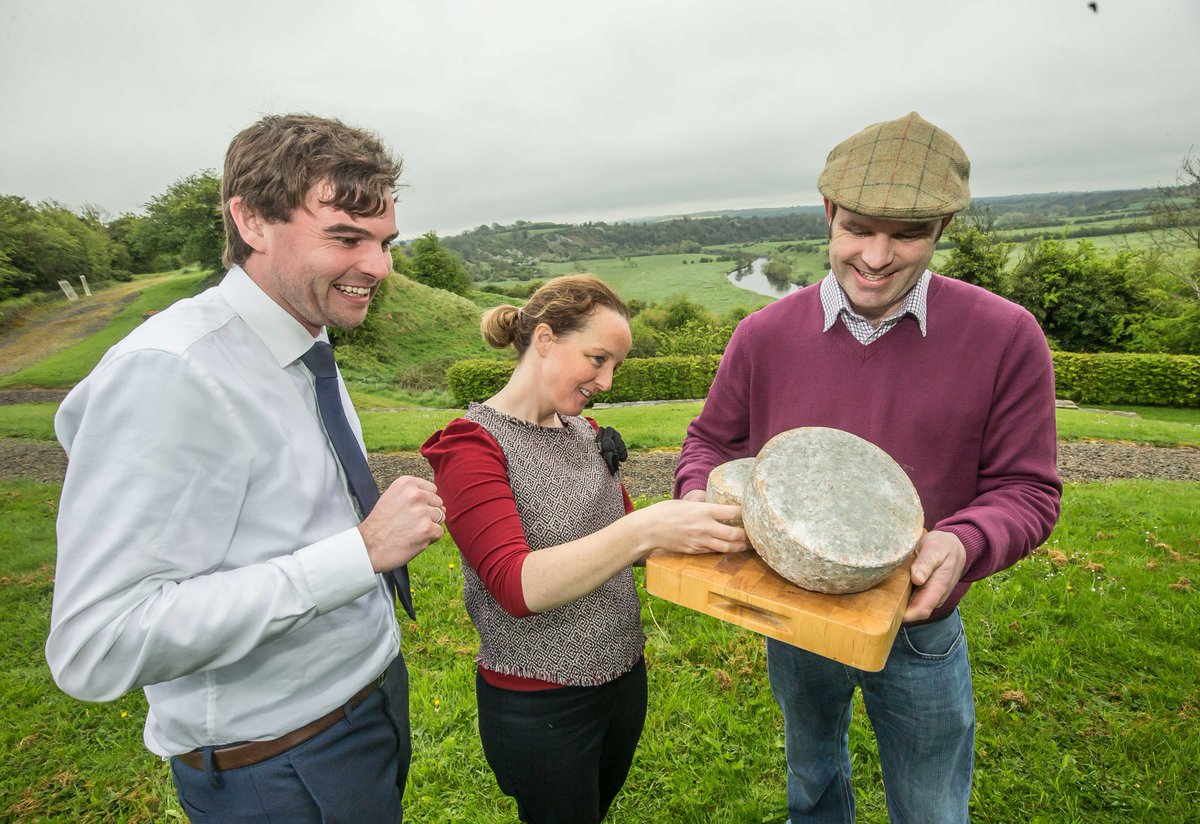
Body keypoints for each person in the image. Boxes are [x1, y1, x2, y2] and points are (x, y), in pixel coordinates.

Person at [46, 114, 445, 822]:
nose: (380, 268)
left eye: (385, 243)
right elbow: (99, 643)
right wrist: (358, 553)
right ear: (253, 220)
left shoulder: (302, 337)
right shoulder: (172, 374)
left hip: (366, 704)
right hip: (281, 765)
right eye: (347, 239)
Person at [675, 112, 1062, 823]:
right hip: (795, 610)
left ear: (942, 227)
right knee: (812, 780)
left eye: (907, 234)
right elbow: (709, 442)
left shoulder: (1007, 336)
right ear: (828, 213)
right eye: (858, 228)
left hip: (919, 621)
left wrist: (964, 542)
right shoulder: (764, 334)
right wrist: (702, 492)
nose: (877, 256)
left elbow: (1028, 489)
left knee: (932, 806)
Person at [421, 275, 749, 823]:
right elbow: (516, 585)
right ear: (545, 338)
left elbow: (624, 539)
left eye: (615, 365)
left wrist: (714, 530)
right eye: (597, 359)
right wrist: (645, 528)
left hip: (622, 679)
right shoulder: (470, 445)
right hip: (540, 703)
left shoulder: (584, 432)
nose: (608, 380)